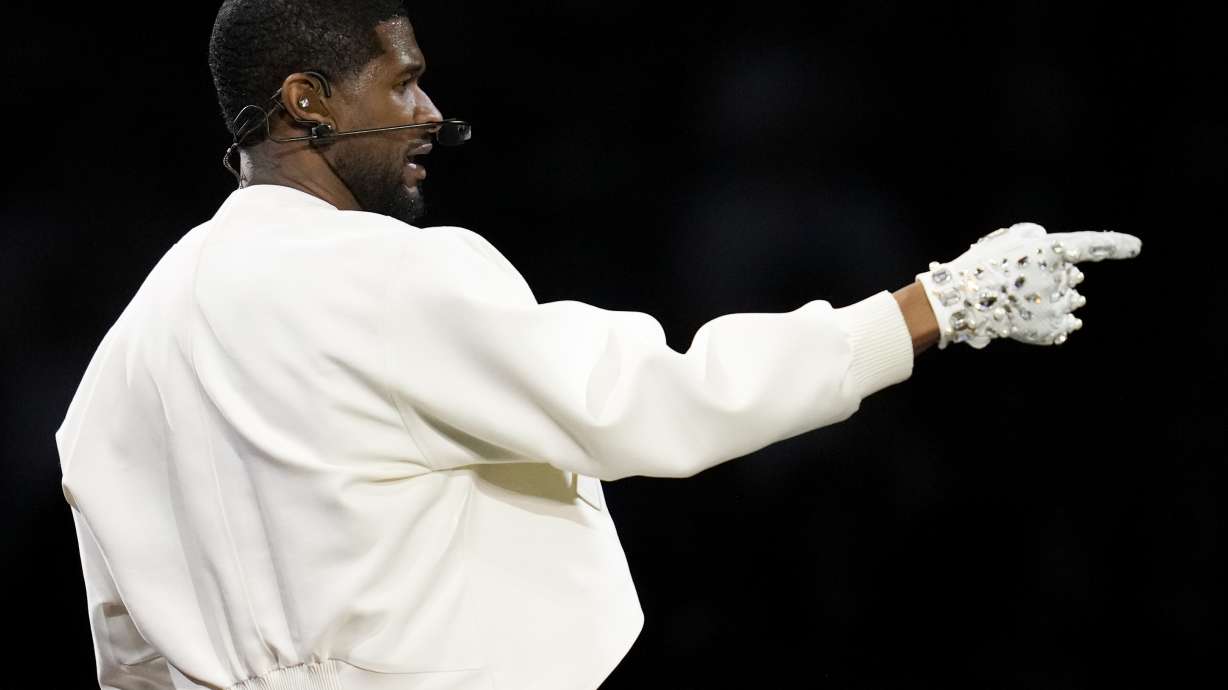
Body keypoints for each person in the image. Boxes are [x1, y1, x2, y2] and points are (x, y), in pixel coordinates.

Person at [55, 2, 1141, 689]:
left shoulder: (130, 347)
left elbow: (127, 642)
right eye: (403, 79)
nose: (429, 110)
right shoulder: (380, 272)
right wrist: (937, 304)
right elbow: (654, 403)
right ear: (308, 102)